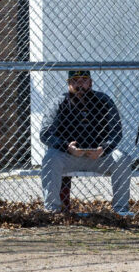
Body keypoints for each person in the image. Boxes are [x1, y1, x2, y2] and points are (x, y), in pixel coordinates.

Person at [39, 69, 131, 214]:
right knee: (50, 158)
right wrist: (66, 147)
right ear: (68, 84)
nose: (79, 85)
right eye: (75, 81)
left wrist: (103, 148)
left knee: (122, 158)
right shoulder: (59, 102)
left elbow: (116, 131)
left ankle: (121, 210)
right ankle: (52, 210)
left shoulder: (104, 101)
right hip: (69, 155)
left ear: (91, 83)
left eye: (84, 80)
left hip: (99, 156)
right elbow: (45, 133)